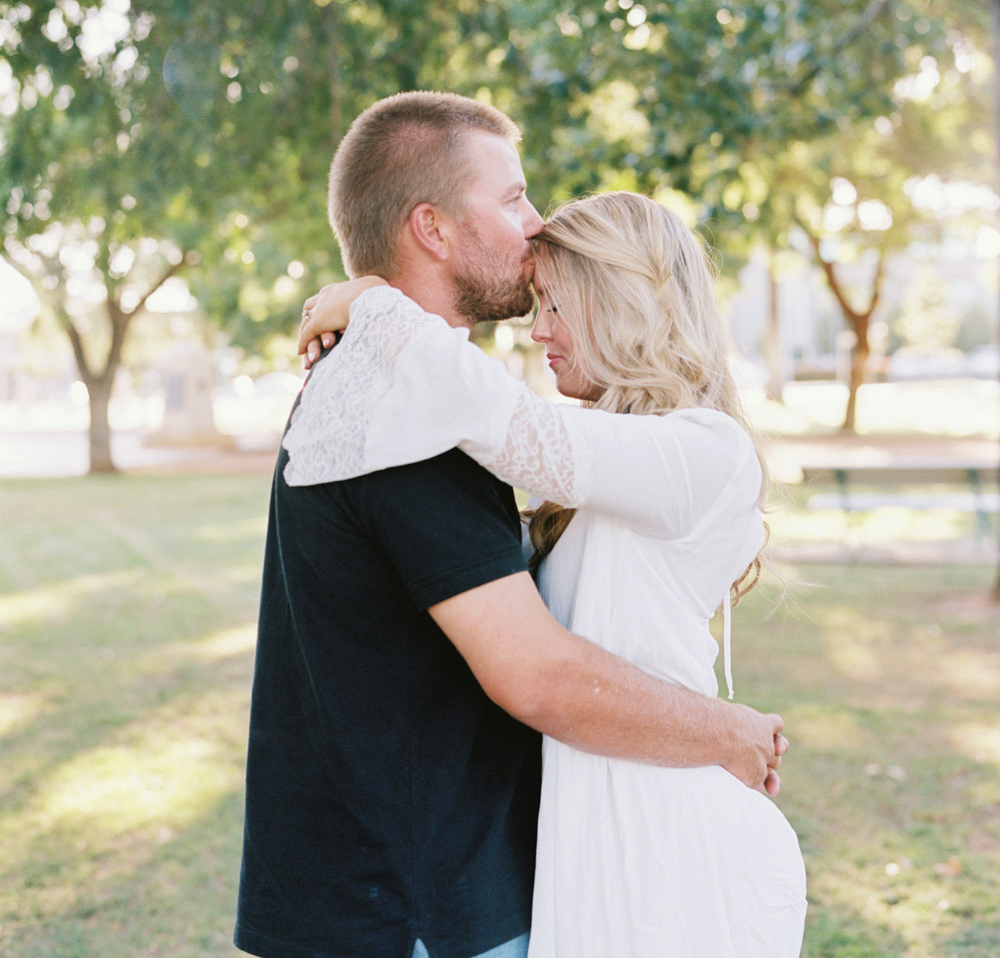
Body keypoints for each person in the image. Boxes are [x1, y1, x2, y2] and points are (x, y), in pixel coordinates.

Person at [235, 91, 790, 958]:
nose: (531, 227)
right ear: (433, 228)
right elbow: (539, 675)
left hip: (606, 857)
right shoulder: (401, 415)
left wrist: (376, 305)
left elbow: (533, 438)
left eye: (559, 306)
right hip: (422, 905)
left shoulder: (444, 410)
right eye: (512, 197)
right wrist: (732, 732)